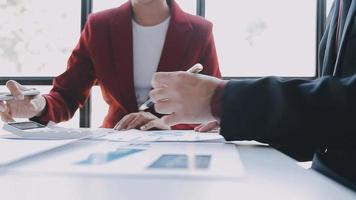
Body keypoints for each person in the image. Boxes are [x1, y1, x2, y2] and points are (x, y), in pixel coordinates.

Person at [148, 0, 356, 189]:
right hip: (325, 184)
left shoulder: (199, 29)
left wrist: (225, 100)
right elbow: (330, 125)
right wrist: (242, 120)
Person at [0, 0, 221, 130]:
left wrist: (169, 125)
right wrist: (37, 106)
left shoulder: (200, 30)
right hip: (114, 141)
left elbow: (216, 104)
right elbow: (67, 96)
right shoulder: (99, 26)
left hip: (179, 149)